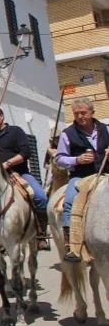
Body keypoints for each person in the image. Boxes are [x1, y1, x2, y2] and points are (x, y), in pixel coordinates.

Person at [0, 106, 49, 250]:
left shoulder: (16, 131)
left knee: (40, 197)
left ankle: (41, 234)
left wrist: (8, 163)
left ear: (2, 116)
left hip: (20, 173)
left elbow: (26, 152)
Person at [54, 97, 109, 262]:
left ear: (92, 113)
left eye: (83, 113)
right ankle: (72, 245)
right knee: (69, 201)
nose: (80, 116)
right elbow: (59, 158)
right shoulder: (67, 134)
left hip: (105, 173)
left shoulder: (105, 129)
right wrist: (77, 160)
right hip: (81, 176)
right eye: (76, 113)